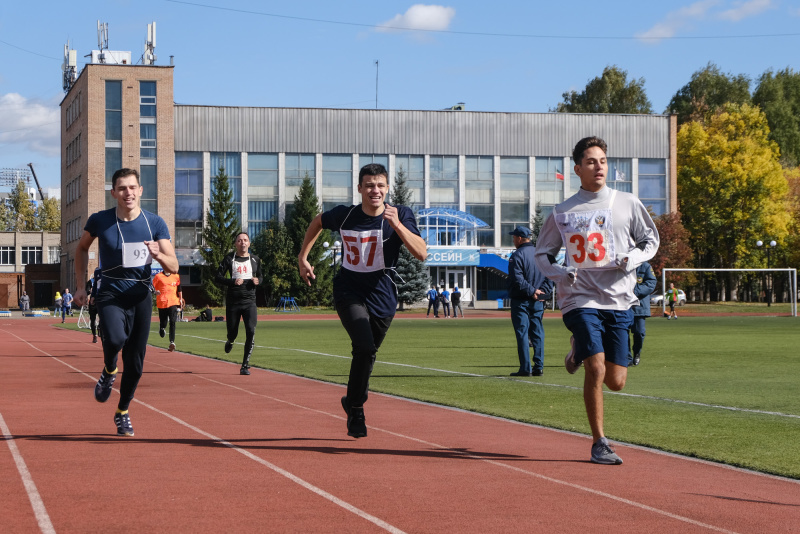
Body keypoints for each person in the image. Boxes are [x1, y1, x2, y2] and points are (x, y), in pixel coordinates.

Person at [534, 136, 659, 465]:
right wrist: (561, 272)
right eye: (590, 161)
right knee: (596, 368)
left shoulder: (627, 202)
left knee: (617, 381)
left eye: (602, 160)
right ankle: (599, 442)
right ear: (577, 168)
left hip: (618, 299)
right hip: (580, 297)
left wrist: (631, 259)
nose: (598, 166)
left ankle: (578, 347)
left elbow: (650, 241)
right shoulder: (562, 211)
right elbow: (542, 255)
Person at [298, 163, 427, 438]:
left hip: (382, 296)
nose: (375, 190)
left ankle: (351, 399)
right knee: (364, 346)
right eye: (369, 185)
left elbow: (421, 253)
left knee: (368, 354)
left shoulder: (401, 214)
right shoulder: (346, 216)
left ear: (388, 188)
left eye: (380, 185)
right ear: (359, 189)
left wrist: (397, 226)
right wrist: (303, 258)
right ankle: (356, 408)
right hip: (349, 292)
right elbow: (318, 222)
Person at [73, 168, 178, 437]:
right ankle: (109, 369)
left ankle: (122, 411)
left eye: (132, 188)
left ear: (141, 191)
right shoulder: (100, 220)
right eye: (122, 188)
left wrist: (158, 255)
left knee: (136, 363)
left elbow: (174, 265)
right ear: (113, 193)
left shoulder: (154, 223)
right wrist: (79, 285)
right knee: (116, 338)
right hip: (109, 292)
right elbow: (82, 248)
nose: (128, 193)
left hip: (141, 296)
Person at [507, 225, 553, 377]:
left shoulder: (517, 255)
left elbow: (517, 279)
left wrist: (532, 291)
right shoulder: (540, 255)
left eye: (514, 237)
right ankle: (539, 367)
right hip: (538, 301)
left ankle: (525, 368)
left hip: (521, 301)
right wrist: (541, 292)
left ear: (520, 238)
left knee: (522, 333)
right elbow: (549, 275)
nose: (513, 240)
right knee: (538, 333)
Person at [215, 232, 263, 375]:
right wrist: (232, 281)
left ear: (249, 243)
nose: (243, 243)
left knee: (251, 330)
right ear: (236, 243)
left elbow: (261, 276)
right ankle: (230, 340)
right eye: (240, 240)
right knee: (233, 332)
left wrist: (258, 281)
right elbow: (217, 277)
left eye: (245, 240)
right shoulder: (229, 259)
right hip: (233, 302)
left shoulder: (255, 259)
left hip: (250, 302)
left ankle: (245, 366)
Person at [629, 261, 656, 366]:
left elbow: (651, 283)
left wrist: (633, 292)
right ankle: (626, 357)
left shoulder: (645, 266)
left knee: (639, 332)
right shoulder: (621, 263)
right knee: (622, 333)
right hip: (622, 306)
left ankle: (636, 353)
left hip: (639, 306)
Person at [153, 270, 184, 352]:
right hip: (162, 302)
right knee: (164, 322)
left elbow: (179, 288)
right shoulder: (158, 276)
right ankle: (162, 328)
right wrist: (155, 292)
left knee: (173, 322)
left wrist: (180, 299)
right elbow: (152, 287)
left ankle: (172, 342)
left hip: (173, 302)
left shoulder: (176, 276)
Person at [86, 268, 102, 343]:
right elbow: (87, 291)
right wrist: (90, 292)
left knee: (102, 317)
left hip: (100, 301)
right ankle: (94, 335)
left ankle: (99, 327)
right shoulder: (90, 282)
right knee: (93, 320)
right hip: (92, 302)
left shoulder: (103, 278)